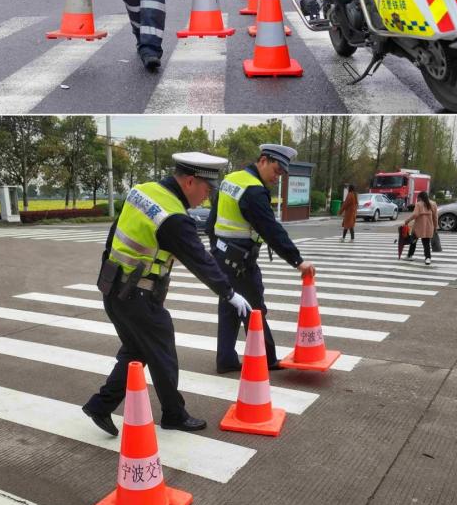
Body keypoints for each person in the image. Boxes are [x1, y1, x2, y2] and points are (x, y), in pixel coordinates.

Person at [82, 152, 251, 436]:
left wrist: (107, 273)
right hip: (138, 297)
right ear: (189, 181)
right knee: (163, 354)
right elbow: (201, 261)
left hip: (113, 288)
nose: (207, 198)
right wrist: (230, 293)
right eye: (206, 190)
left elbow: (114, 234)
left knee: (137, 352)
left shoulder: (142, 191)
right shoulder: (173, 217)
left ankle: (100, 405)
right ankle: (174, 414)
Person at [206, 144, 316, 374]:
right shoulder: (254, 190)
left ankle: (225, 360)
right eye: (276, 170)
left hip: (222, 254)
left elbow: (211, 222)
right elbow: (271, 230)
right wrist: (297, 260)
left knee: (229, 307)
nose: (277, 178)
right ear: (263, 160)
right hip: (240, 261)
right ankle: (267, 358)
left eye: (281, 174)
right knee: (255, 309)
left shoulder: (231, 180)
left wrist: (217, 248)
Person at [404, 191, 438, 265]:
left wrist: (407, 220)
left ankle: (409, 255)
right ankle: (428, 258)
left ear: (420, 197)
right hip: (428, 227)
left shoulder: (419, 204)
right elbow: (435, 217)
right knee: (426, 243)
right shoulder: (433, 204)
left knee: (413, 241)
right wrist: (435, 226)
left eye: (418, 198)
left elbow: (415, 214)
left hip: (418, 227)